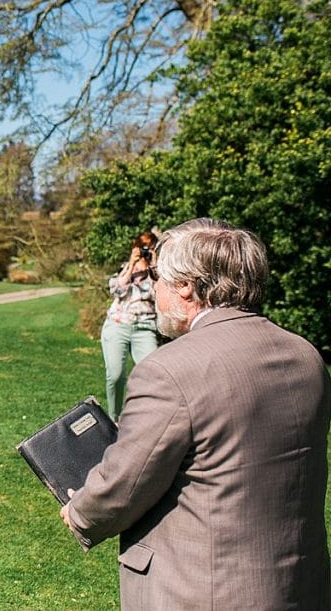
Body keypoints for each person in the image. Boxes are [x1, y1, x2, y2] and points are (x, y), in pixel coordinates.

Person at [61, 218, 330, 608]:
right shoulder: (306, 356)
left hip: (205, 592)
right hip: (299, 587)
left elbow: (125, 484)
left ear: (186, 286)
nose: (153, 288)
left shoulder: (169, 369)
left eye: (158, 277)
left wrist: (81, 512)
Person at [100, 231, 160, 419]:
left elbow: (160, 293)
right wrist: (132, 263)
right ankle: (114, 419)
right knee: (116, 375)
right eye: (143, 248)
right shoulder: (125, 268)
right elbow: (116, 290)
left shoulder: (158, 272)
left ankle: (147, 417)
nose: (146, 251)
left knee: (153, 375)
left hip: (145, 328)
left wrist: (155, 263)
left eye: (150, 248)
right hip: (118, 325)